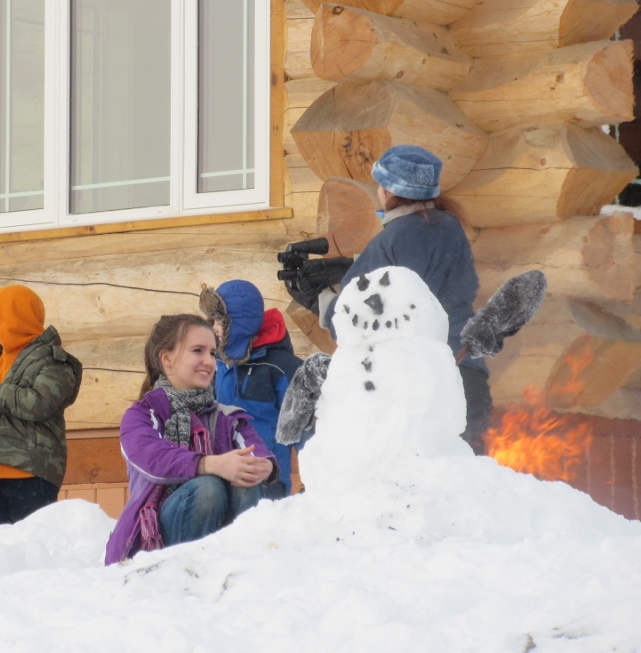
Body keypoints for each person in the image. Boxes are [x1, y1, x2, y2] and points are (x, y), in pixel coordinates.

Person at [292, 145, 492, 454]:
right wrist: (355, 264)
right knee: (466, 474)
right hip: (468, 373)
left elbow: (362, 323)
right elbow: (423, 273)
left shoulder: (392, 239)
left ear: (387, 190)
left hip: (418, 385)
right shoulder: (448, 226)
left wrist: (318, 299)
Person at [105, 314, 280, 565]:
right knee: (208, 488)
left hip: (220, 533)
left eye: (212, 353)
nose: (209, 361)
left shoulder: (226, 417)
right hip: (152, 540)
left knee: (246, 483)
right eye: (198, 351)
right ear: (166, 358)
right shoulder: (142, 415)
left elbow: (255, 451)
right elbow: (153, 459)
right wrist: (210, 464)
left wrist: (264, 466)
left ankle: (238, 570)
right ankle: (182, 574)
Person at [0, 285, 82, 526]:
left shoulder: (52, 359)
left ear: (12, 320)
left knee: (32, 545)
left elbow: (38, 403)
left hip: (29, 474)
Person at [199, 280, 310, 496]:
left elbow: (305, 431)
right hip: (223, 474)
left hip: (267, 480)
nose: (214, 328)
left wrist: (317, 483)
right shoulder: (218, 361)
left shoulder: (281, 368)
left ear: (238, 323)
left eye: (220, 321)